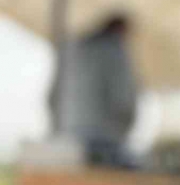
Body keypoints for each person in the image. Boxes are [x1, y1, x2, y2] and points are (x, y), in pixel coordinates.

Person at [50, 10, 138, 167]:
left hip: (65, 137)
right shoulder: (115, 51)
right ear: (121, 29)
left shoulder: (70, 49)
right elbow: (124, 99)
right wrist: (124, 129)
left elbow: (52, 97)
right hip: (104, 140)